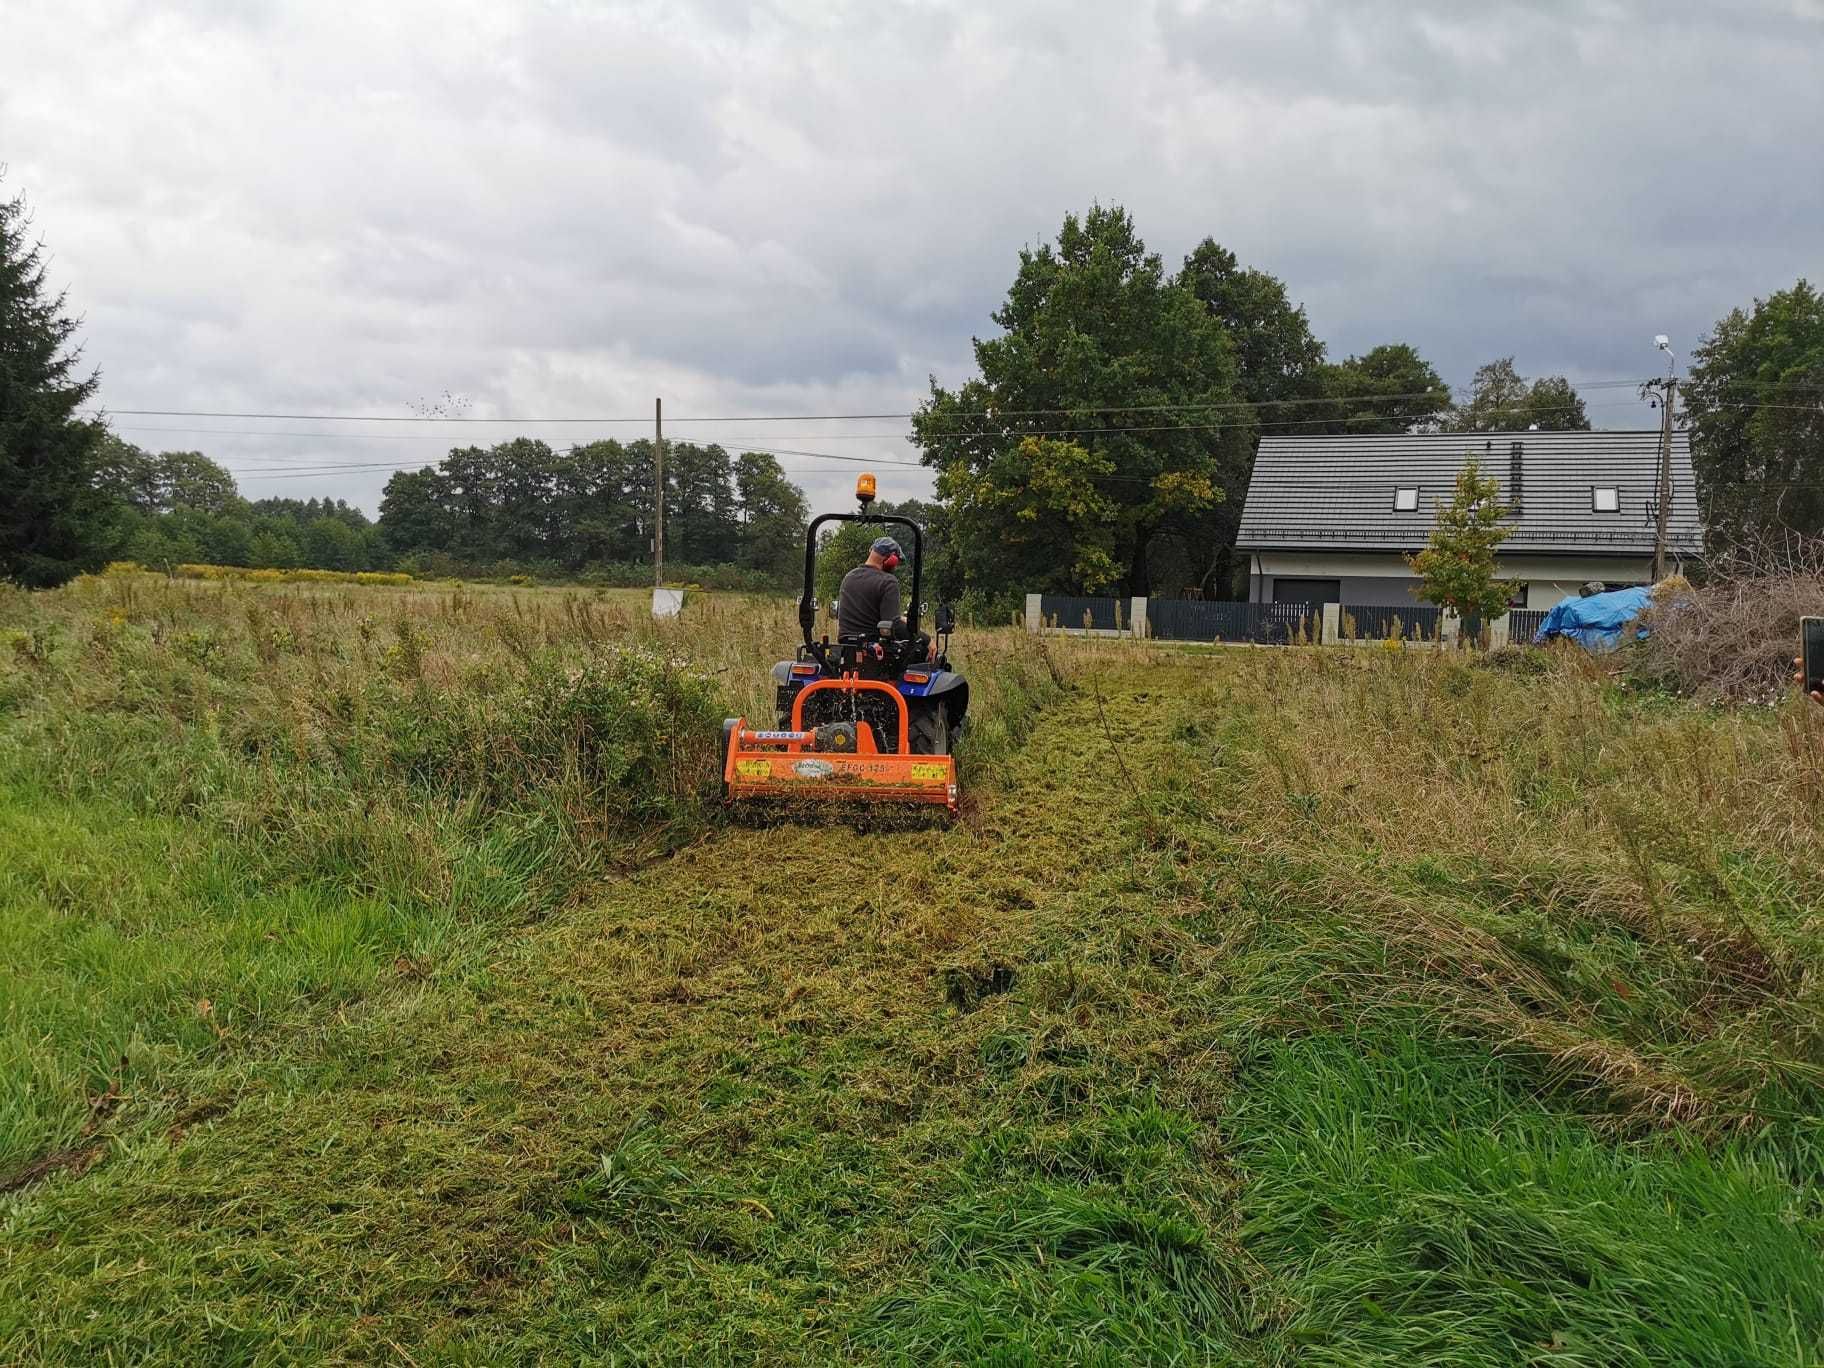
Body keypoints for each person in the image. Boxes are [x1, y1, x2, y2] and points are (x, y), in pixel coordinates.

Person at [837, 537, 906, 640]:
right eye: (896, 563)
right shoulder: (888, 582)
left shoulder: (848, 578)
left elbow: (868, 613)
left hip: (846, 649)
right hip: (875, 650)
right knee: (921, 647)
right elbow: (894, 627)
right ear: (891, 560)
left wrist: (899, 618)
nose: (895, 567)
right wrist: (926, 639)